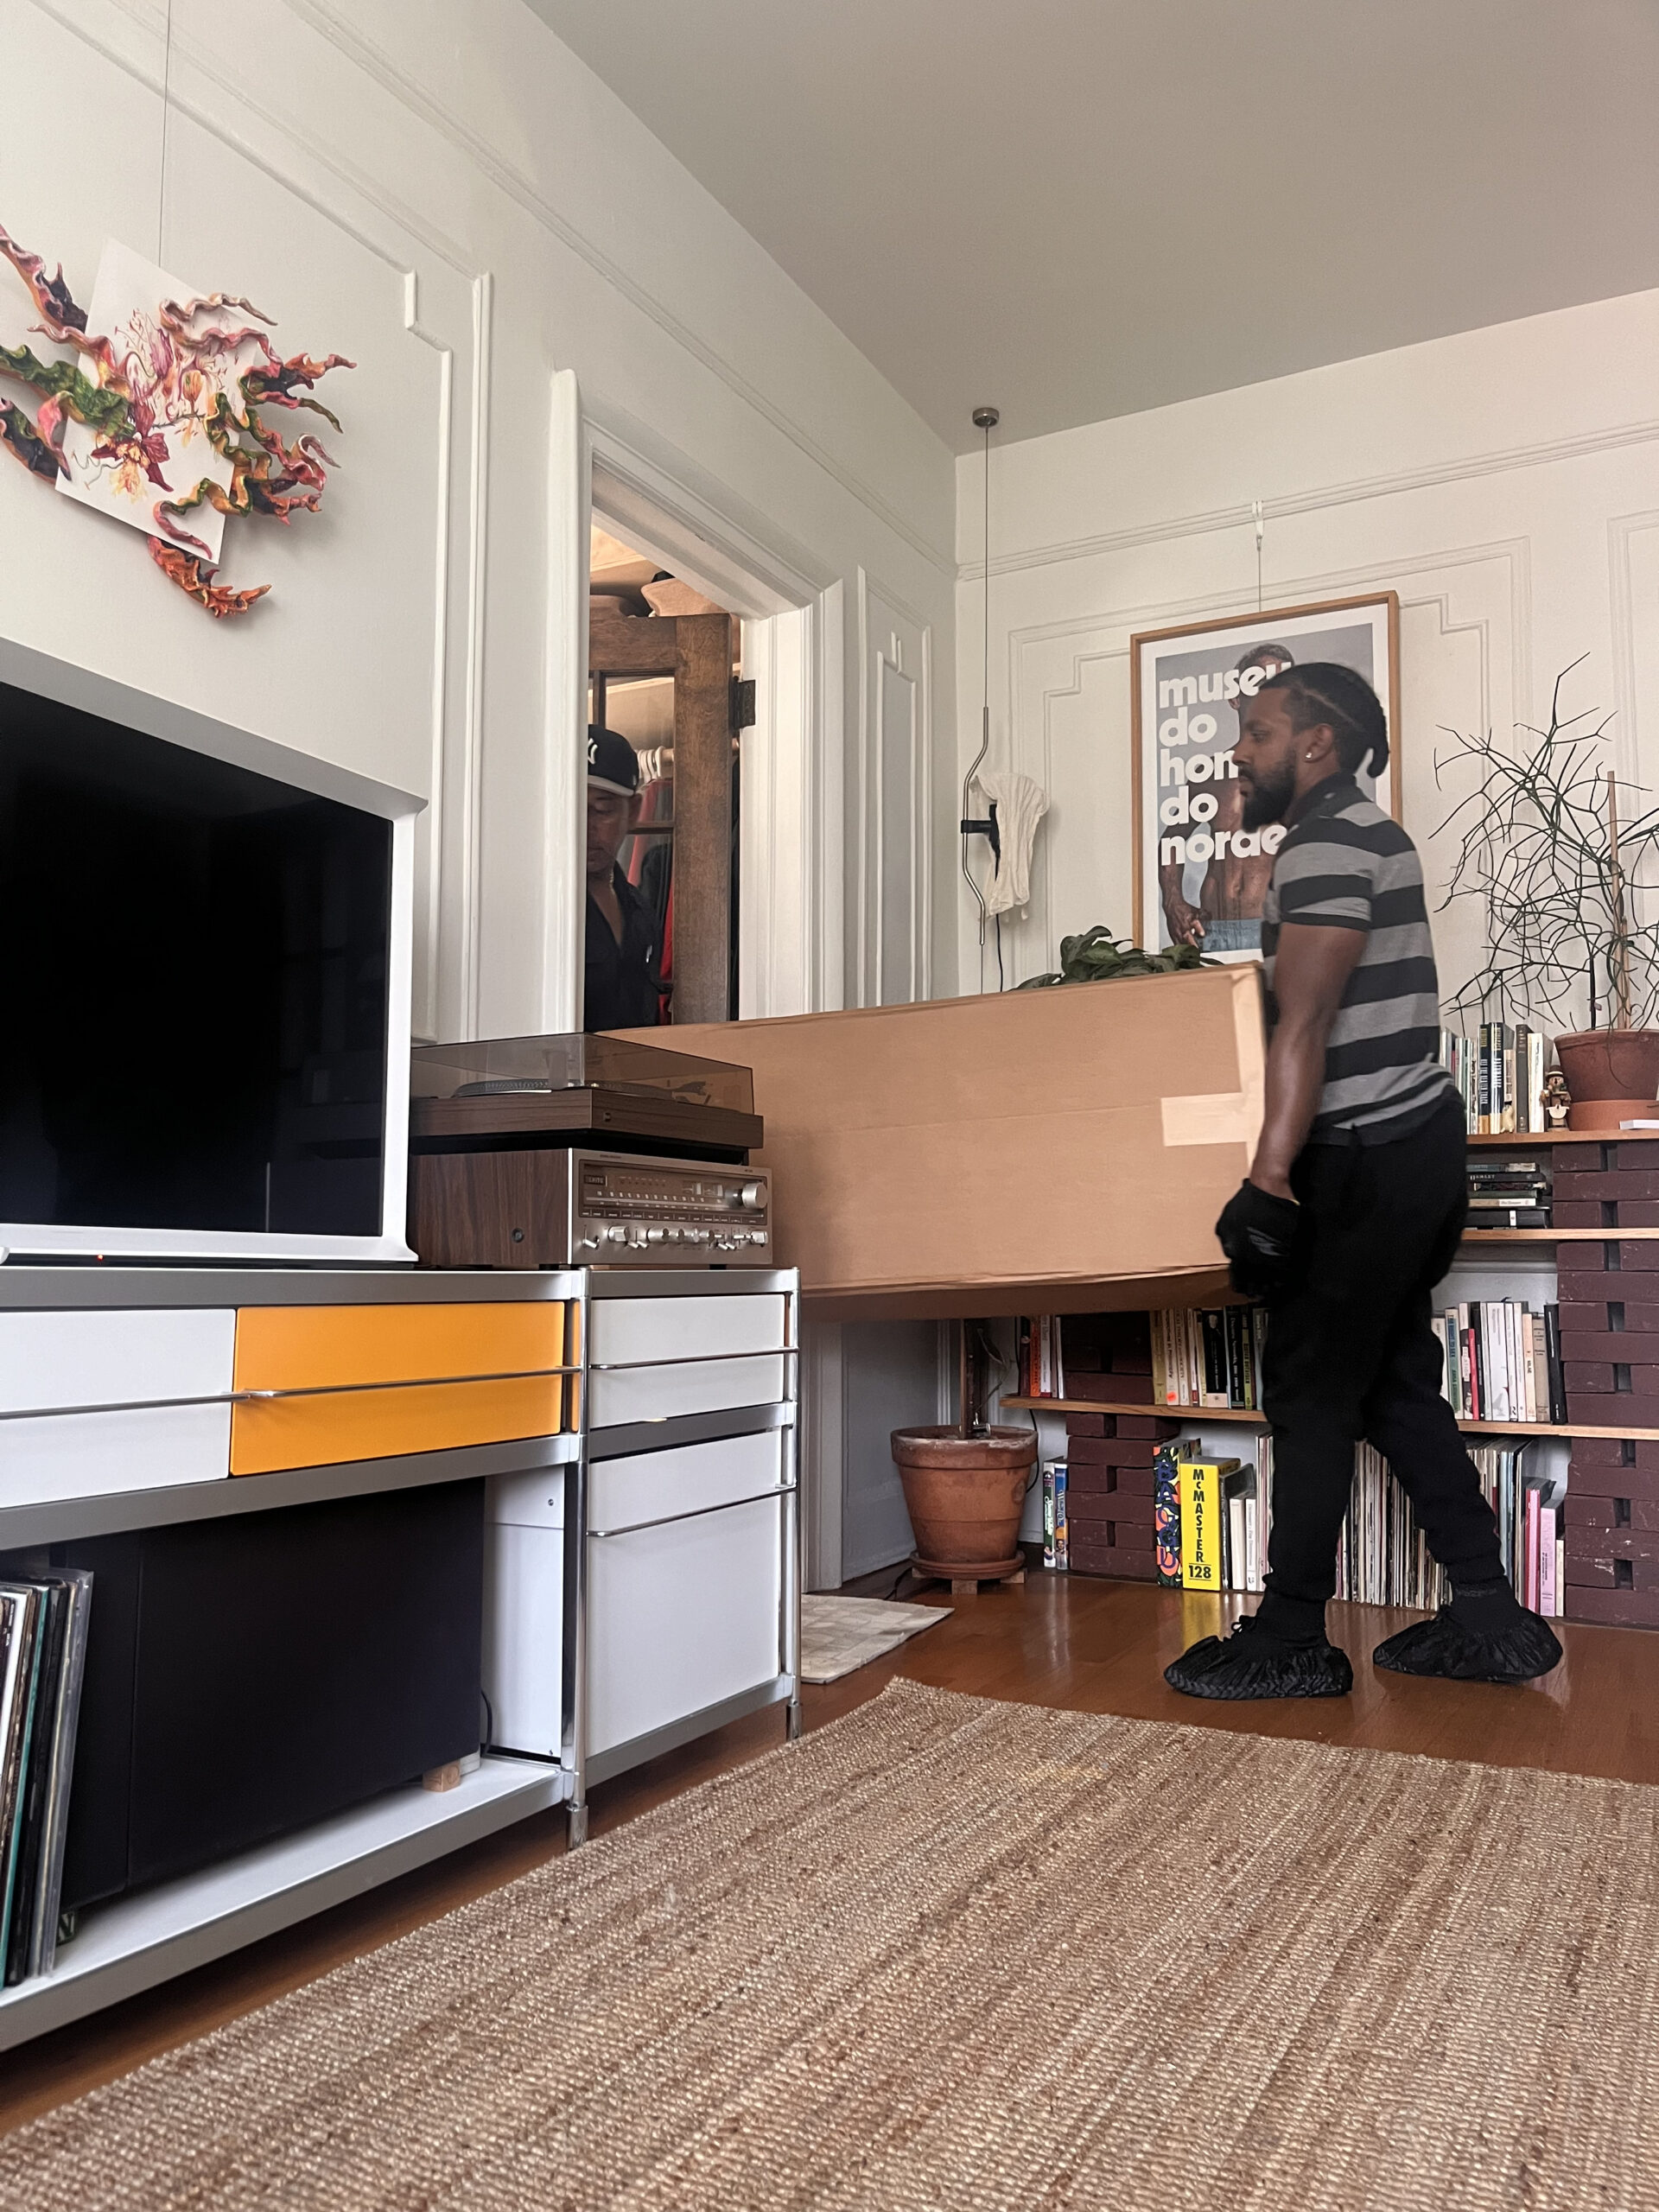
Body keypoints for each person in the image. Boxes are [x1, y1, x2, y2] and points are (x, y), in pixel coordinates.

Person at [1166, 662, 1563, 1699]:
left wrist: (1269, 1177)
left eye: (1255, 732)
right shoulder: (1353, 841)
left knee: (1308, 1385)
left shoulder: (1332, 841)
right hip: (1412, 1147)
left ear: (1316, 746)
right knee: (1390, 1381)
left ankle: (1291, 1635)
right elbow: (1301, 1006)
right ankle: (1489, 1614)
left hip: (1372, 1153)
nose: (1239, 753)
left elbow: (1308, 1021)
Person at [1160, 643, 1293, 954]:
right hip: (1212, 932)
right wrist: (1173, 902)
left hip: (1278, 932)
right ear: (1235, 696)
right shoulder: (1208, 774)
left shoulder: (1302, 773)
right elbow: (1171, 840)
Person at [583, 725, 664, 1032]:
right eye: (570, 807)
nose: (584, 826)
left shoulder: (640, 909)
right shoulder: (533, 907)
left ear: (632, 811)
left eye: (601, 809)